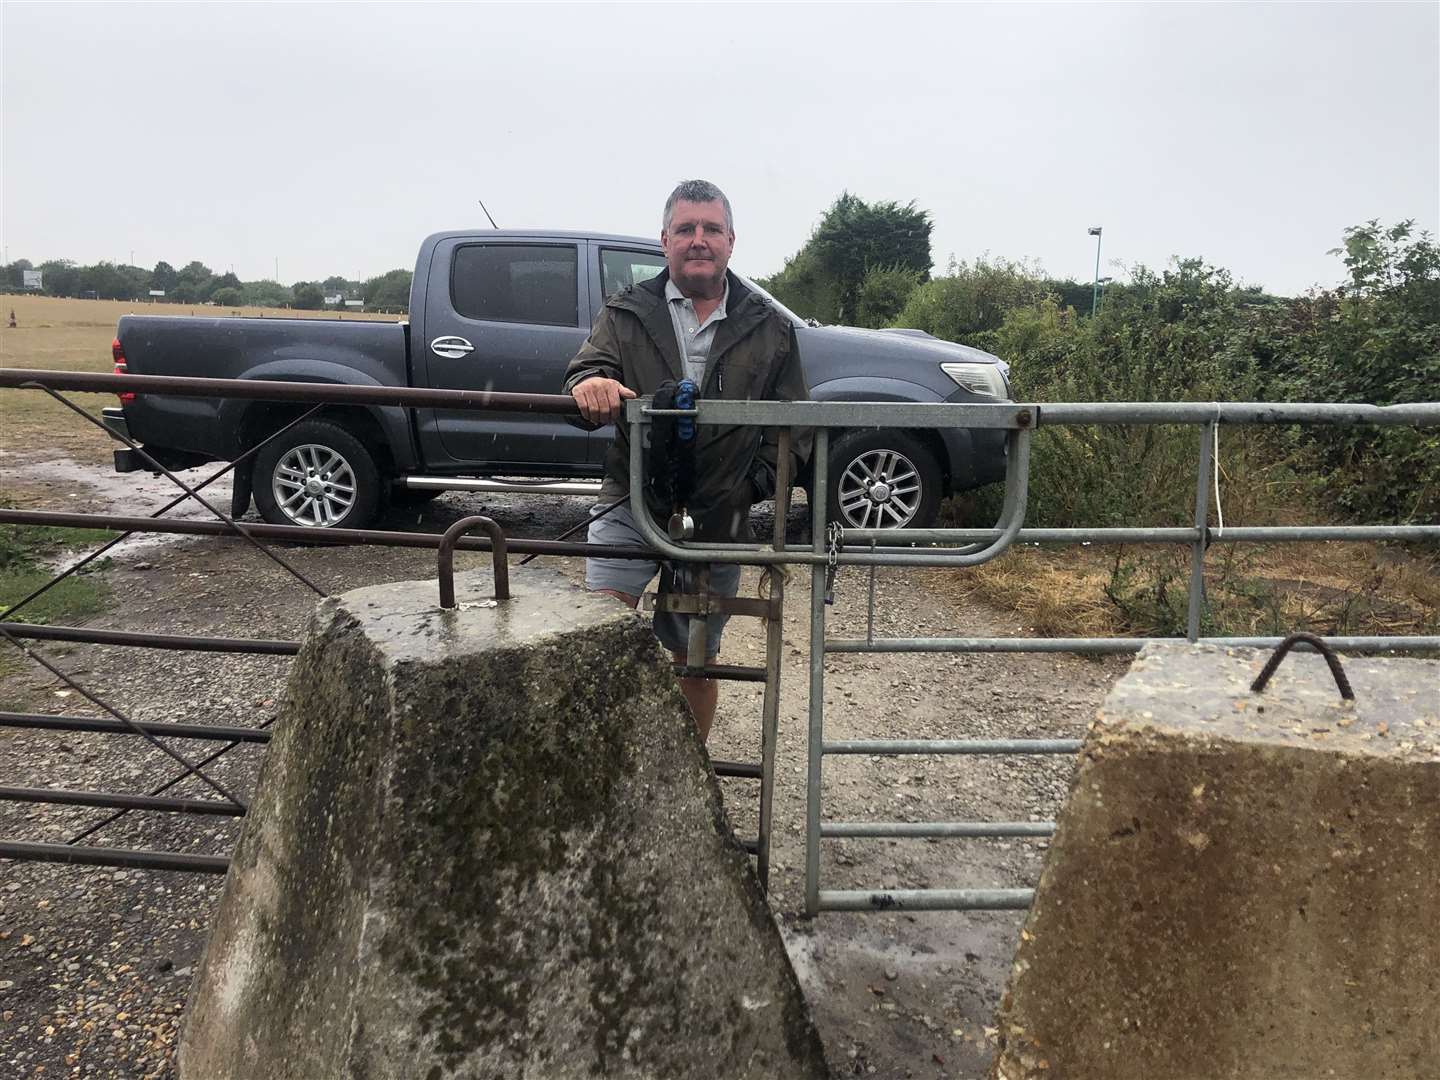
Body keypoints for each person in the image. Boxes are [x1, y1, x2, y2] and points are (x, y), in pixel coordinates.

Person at [564, 179, 810, 742]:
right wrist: (591, 384)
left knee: (694, 657)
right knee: (598, 636)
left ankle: (686, 785)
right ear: (664, 240)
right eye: (685, 229)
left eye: (711, 230)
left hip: (718, 514)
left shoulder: (770, 327)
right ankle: (601, 771)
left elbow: (796, 429)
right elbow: (583, 375)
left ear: (731, 241)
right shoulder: (625, 313)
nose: (698, 240)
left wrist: (750, 487)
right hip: (632, 497)